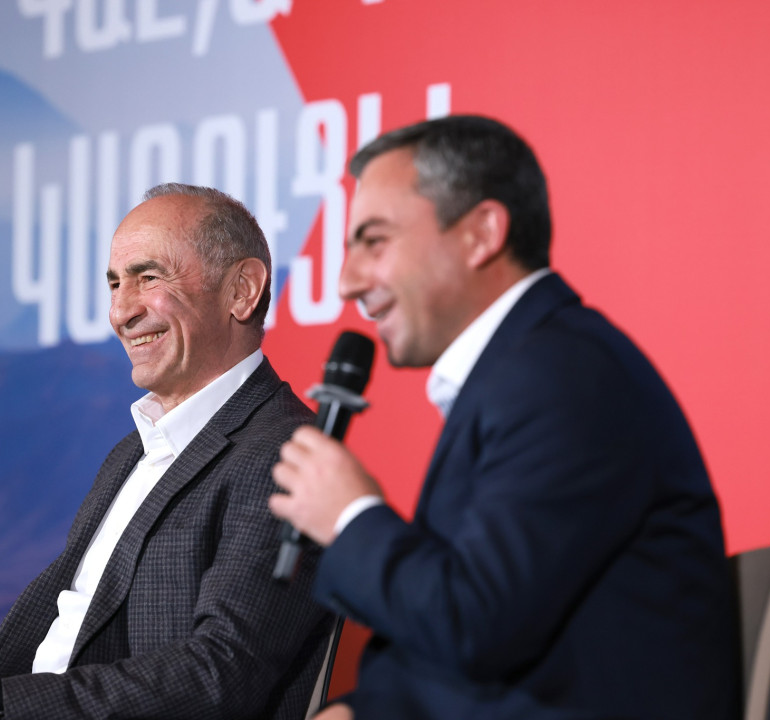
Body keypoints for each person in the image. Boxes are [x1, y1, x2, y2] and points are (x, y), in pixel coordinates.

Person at [269, 116, 741, 719]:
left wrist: (351, 515)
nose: (347, 281)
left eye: (375, 241)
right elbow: (476, 635)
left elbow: (474, 624)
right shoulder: (525, 371)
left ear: (481, 234)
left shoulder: (562, 377)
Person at [0, 184, 330, 720]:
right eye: (115, 283)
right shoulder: (130, 454)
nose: (120, 312)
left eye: (149, 278)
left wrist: (6, 712)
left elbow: (220, 673)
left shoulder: (286, 454)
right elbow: (57, 650)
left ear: (242, 290)